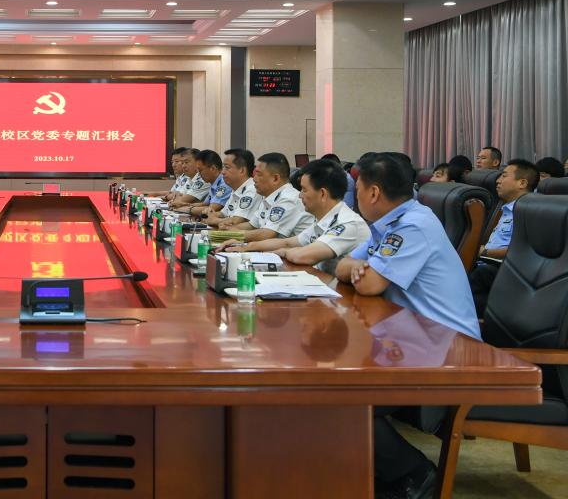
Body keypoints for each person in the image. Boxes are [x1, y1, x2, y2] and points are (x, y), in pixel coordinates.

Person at [335, 153, 480, 499]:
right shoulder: (390, 222)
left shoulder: (413, 226)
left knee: (336, 395)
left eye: (358, 188)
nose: (355, 195)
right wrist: (360, 269)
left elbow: (370, 284)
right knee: (330, 386)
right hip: (412, 340)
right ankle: (375, 472)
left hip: (447, 350)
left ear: (373, 192)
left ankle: (415, 475)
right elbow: (343, 266)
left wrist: (364, 272)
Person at [218, 158, 369, 273]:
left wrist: (282, 252)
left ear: (322, 194)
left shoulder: (347, 223)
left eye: (304, 190)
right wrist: (245, 247)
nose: (300, 195)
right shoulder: (324, 219)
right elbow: (288, 243)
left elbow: (303, 255)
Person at [469, 159, 539, 315]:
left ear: (522, 183)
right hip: (487, 265)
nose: (498, 180)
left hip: (505, 271)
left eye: (504, 176)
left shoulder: (529, 210)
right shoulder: (507, 208)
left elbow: (522, 251)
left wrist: (484, 252)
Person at [214, 152, 314, 242]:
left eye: (259, 175)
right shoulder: (268, 197)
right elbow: (252, 225)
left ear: (275, 178)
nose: (254, 179)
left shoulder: (289, 198)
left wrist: (230, 234)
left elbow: (267, 234)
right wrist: (229, 228)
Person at [207, 148, 261, 227]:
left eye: (227, 167)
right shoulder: (236, 188)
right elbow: (224, 213)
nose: (223, 172)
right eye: (223, 167)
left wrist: (214, 220)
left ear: (242, 170)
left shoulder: (252, 189)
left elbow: (237, 221)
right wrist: (211, 213)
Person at [184, 150, 231, 217]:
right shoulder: (214, 183)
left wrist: (186, 209)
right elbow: (204, 204)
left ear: (213, 168)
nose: (199, 174)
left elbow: (211, 208)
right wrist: (184, 205)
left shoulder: (224, 184)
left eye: (200, 170)